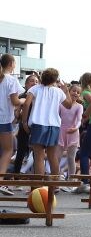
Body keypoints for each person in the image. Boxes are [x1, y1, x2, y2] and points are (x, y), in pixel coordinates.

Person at [20, 68, 74, 179]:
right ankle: (55, 185)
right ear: (55, 79)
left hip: (38, 124)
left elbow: (26, 104)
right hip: (54, 125)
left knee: (38, 156)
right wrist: (66, 91)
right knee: (52, 156)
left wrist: (24, 122)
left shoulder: (35, 89)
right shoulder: (58, 91)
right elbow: (69, 105)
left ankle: (39, 185)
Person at [0, 54, 25, 195]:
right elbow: (15, 101)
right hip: (3, 119)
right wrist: (24, 100)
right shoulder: (11, 80)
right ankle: (1, 181)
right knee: (8, 150)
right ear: (11, 63)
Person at [57, 82, 83, 184]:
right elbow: (57, 117)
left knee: (71, 157)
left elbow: (79, 119)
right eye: (73, 91)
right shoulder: (61, 105)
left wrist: (76, 128)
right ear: (69, 91)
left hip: (73, 132)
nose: (75, 93)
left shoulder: (79, 106)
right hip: (61, 131)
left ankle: (71, 179)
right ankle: (57, 176)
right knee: (57, 157)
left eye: (78, 92)